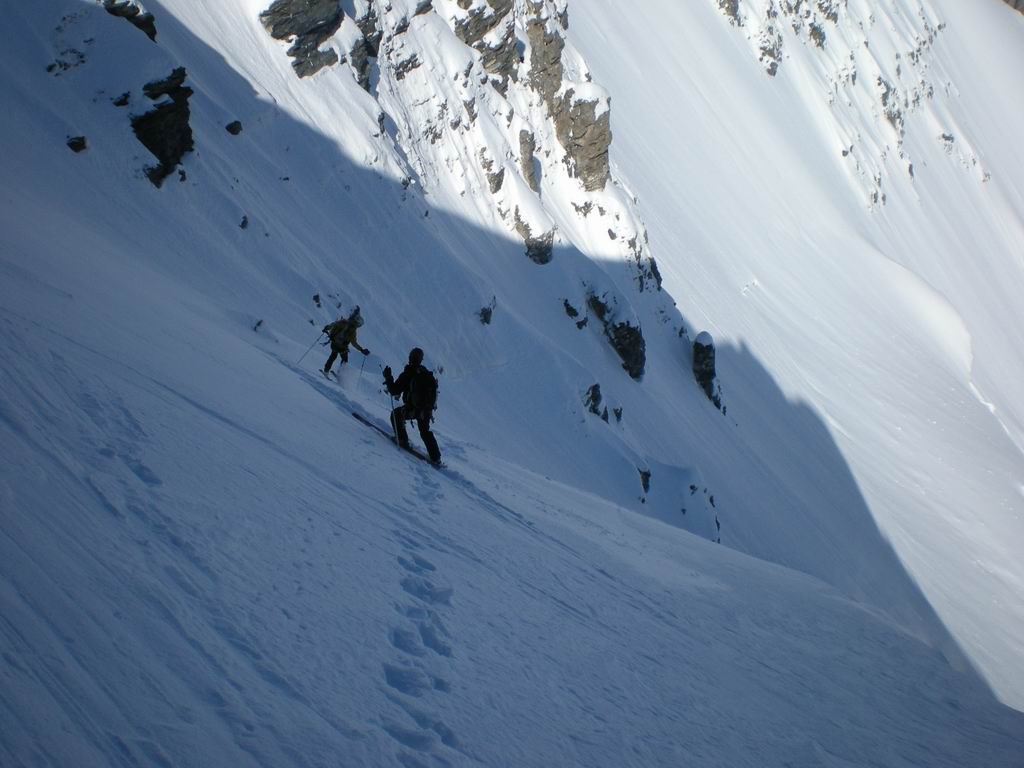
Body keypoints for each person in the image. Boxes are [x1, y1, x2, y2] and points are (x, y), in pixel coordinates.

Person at [383, 347, 441, 464]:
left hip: (413, 409)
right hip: (427, 411)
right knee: (425, 431)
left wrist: (388, 377)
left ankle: (402, 440)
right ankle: (436, 457)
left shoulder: (408, 373)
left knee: (396, 414)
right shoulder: (425, 372)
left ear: (410, 358)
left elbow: (394, 390)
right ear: (421, 360)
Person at [323, 306, 370, 376]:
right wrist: (361, 350)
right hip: (342, 347)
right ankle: (340, 374)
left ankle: (326, 371)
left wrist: (327, 328)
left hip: (334, 343)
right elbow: (354, 343)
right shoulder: (353, 331)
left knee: (333, 356)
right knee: (344, 360)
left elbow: (334, 324)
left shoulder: (344, 322)